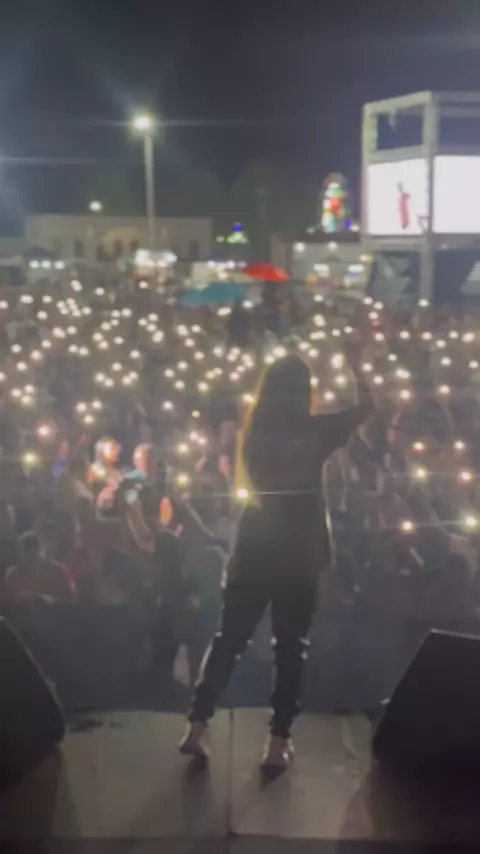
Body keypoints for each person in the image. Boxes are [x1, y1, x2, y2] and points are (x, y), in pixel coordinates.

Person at [180, 347, 374, 768]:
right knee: (290, 646)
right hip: (300, 551)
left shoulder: (254, 434)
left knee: (229, 639)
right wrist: (356, 366)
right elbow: (366, 408)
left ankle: (196, 725)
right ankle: (276, 742)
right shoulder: (315, 432)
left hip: (255, 545)